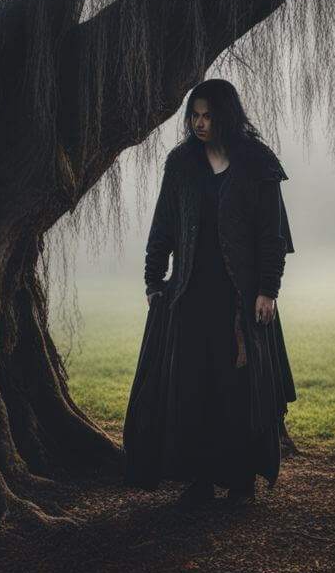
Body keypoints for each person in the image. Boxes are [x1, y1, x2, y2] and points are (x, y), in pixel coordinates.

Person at [123, 78, 296, 509]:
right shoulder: (181, 163)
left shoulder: (257, 163)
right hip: (189, 296)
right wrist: (152, 278)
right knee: (192, 387)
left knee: (237, 391)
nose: (199, 124)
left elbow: (272, 236)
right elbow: (163, 224)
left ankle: (240, 482)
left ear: (226, 117)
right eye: (194, 116)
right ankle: (197, 480)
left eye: (207, 116)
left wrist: (267, 290)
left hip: (239, 299)